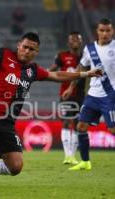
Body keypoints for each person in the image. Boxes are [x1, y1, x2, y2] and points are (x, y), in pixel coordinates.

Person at [0, 32, 102, 188]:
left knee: (15, 166)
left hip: (7, 123)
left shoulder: (33, 70)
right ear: (19, 45)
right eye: (25, 46)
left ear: (36, 52)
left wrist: (85, 74)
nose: (27, 51)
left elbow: (57, 75)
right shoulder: (4, 55)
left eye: (31, 49)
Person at [63, 18, 115, 171]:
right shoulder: (89, 48)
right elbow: (81, 68)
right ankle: (85, 162)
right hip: (92, 95)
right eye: (102, 30)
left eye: (108, 30)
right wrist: (71, 88)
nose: (105, 33)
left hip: (110, 95)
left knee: (112, 129)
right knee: (81, 126)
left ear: (112, 31)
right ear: (97, 31)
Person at [49, 31, 85, 165]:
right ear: (68, 42)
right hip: (65, 94)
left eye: (77, 38)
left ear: (81, 41)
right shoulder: (62, 56)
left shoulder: (85, 56)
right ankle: (67, 155)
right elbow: (51, 69)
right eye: (72, 39)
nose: (75, 41)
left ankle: (72, 155)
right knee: (65, 122)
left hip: (80, 94)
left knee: (77, 123)